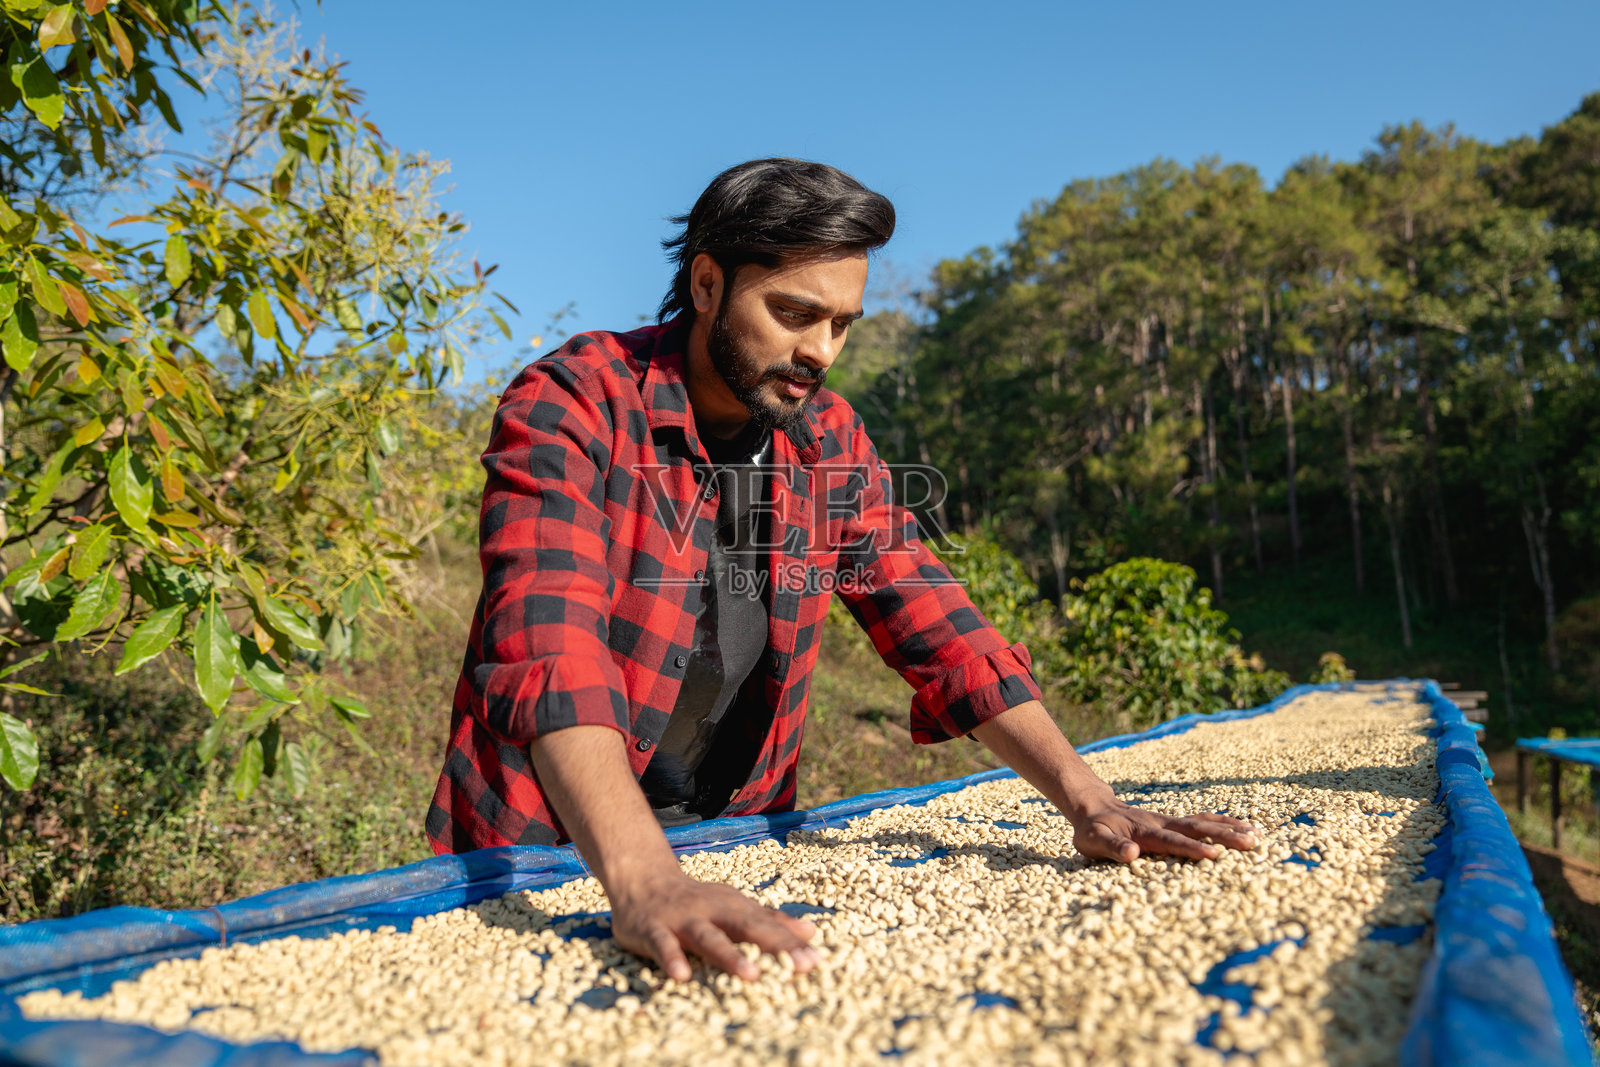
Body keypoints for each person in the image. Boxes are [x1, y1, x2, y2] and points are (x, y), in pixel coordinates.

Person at [426, 158, 1260, 983]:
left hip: (740, 837)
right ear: (708, 283)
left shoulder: (826, 437)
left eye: (842, 323)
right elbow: (550, 647)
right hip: (551, 845)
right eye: (793, 313)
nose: (820, 350)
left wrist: (1091, 801)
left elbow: (935, 620)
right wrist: (646, 881)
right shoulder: (575, 402)